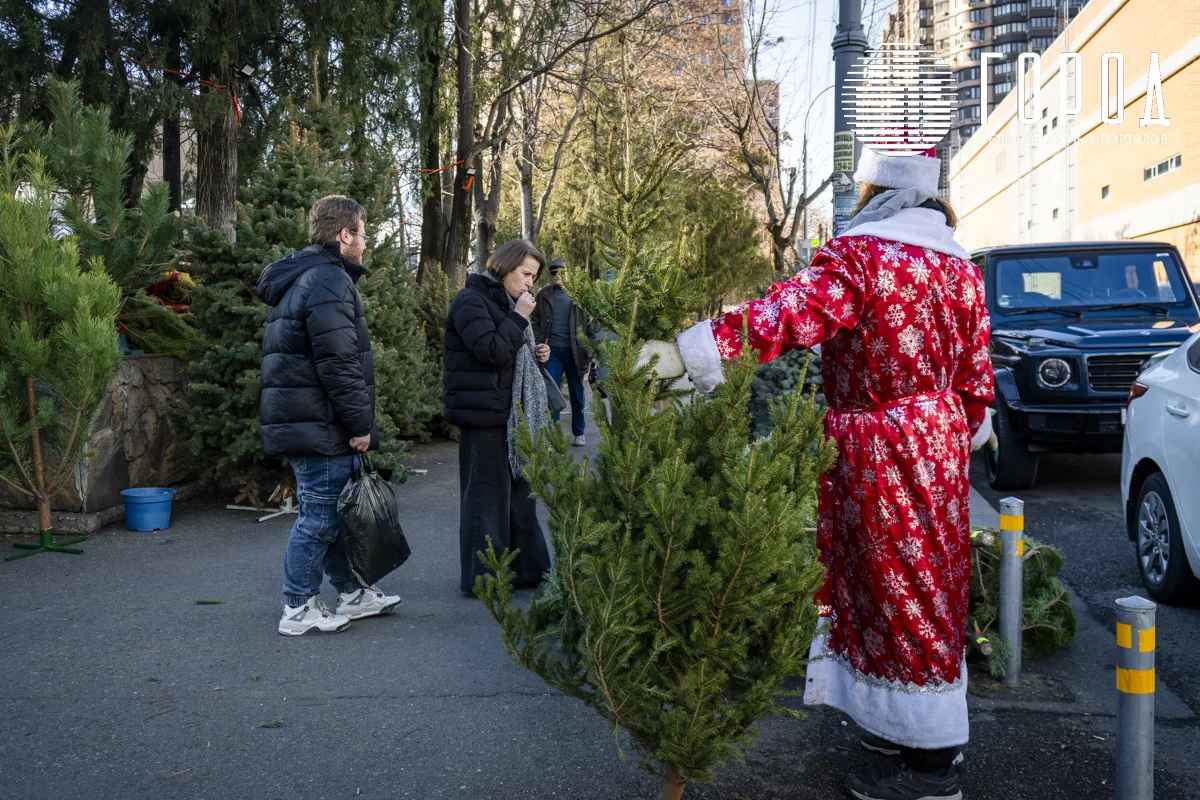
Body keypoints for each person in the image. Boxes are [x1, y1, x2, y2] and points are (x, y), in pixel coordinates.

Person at [640, 143, 995, 800]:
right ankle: (904, 731)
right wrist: (953, 430)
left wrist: (682, 355)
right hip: (939, 446)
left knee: (891, 588)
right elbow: (977, 378)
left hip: (881, 452)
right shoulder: (959, 269)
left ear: (872, 194)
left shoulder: (862, 258)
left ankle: (932, 768)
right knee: (925, 586)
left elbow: (784, 317)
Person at [257, 195, 402, 636]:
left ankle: (353, 592)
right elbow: (339, 364)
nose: (366, 241)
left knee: (333, 513)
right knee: (319, 517)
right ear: (345, 235)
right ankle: (298, 607)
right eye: (362, 233)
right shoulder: (327, 280)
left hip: (308, 419)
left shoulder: (306, 277)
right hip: (320, 424)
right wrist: (360, 426)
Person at [443, 239, 555, 598]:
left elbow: (509, 354)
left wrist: (537, 354)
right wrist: (520, 317)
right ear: (504, 267)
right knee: (486, 501)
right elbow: (490, 350)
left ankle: (527, 570)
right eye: (525, 274)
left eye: (534, 277)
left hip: (513, 415)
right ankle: (484, 578)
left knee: (521, 496)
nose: (529, 284)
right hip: (485, 417)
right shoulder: (470, 301)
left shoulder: (507, 303)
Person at [532, 257, 592, 446]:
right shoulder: (544, 295)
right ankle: (553, 438)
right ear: (550, 274)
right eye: (553, 272)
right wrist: (538, 342)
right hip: (552, 352)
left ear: (568, 272)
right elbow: (534, 320)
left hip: (576, 351)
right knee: (552, 393)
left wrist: (590, 349)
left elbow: (591, 325)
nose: (557, 275)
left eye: (561, 271)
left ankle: (579, 433)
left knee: (577, 392)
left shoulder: (581, 295)